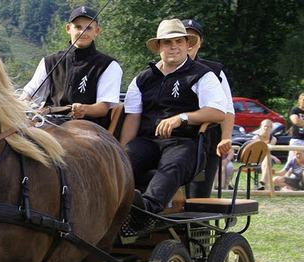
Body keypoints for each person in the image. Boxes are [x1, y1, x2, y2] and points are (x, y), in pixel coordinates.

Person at [120, 19, 226, 213]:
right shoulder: (142, 79)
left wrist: (182, 117)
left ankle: (146, 210)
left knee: (172, 164)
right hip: (147, 141)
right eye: (168, 42)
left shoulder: (203, 75)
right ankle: (109, 205)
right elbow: (132, 118)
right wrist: (119, 151)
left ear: (187, 44)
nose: (174, 47)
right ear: (159, 46)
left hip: (184, 142)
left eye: (179, 41)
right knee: (122, 162)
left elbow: (219, 112)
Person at [21, 5, 122, 128]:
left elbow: (103, 107)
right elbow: (30, 94)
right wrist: (23, 103)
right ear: (68, 28)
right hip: (48, 122)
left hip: (87, 127)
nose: (82, 32)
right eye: (78, 27)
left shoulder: (109, 65)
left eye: (88, 28)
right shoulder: (49, 61)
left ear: (97, 32)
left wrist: (84, 109)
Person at [181, 19, 235, 198]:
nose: (188, 43)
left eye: (192, 38)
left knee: (198, 197)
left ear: (199, 42)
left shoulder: (214, 71)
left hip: (206, 141)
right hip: (174, 140)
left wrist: (226, 138)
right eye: (183, 38)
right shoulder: (160, 71)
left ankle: (200, 226)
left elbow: (227, 109)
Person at [252, 119, 281, 190]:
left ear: (271, 128)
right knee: (267, 159)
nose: (266, 128)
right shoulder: (256, 138)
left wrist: (271, 157)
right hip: (257, 160)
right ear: (261, 127)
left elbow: (267, 151)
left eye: (268, 126)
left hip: (268, 160)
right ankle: (265, 184)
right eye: (265, 126)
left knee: (267, 160)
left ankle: (264, 182)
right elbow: (261, 152)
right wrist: (274, 157)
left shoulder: (273, 139)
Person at [288, 92, 304, 159]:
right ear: (299, 100)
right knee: (293, 160)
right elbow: (296, 121)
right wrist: (300, 122)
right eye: (303, 100)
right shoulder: (295, 110)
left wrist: (301, 122)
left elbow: (300, 122)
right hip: (297, 139)